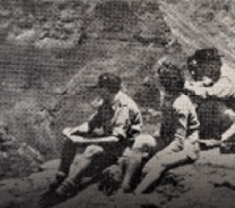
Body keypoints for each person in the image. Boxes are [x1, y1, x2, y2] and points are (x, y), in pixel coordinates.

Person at [46, 72, 142, 200]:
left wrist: (84, 141)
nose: (98, 90)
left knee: (91, 149)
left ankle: (67, 187)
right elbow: (91, 124)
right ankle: (61, 176)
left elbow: (117, 138)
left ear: (107, 89)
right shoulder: (107, 101)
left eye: (100, 87)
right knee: (71, 141)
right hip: (110, 140)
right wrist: (73, 131)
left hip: (123, 147)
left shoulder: (123, 107)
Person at [117, 59, 200, 194]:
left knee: (159, 164)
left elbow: (179, 142)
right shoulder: (168, 98)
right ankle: (125, 185)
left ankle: (137, 194)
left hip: (186, 145)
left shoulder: (180, 104)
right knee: (140, 141)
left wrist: (157, 156)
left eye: (160, 78)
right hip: (167, 139)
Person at [183, 48, 235, 160]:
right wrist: (195, 85)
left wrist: (189, 88)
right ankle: (207, 135)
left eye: (202, 65)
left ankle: (216, 139)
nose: (202, 69)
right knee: (206, 107)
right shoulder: (217, 72)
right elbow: (207, 84)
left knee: (211, 106)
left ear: (210, 63)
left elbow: (211, 93)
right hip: (231, 113)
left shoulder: (227, 77)